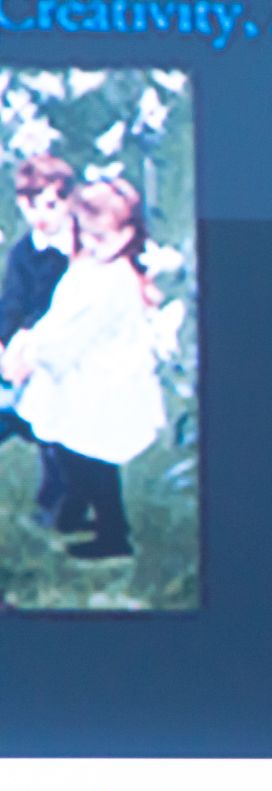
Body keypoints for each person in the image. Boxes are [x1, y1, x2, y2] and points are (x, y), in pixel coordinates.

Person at [0, 175, 166, 560]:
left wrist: (30, 356)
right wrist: (28, 342)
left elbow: (75, 335)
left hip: (99, 385)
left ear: (128, 234)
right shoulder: (89, 266)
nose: (91, 244)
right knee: (69, 450)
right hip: (77, 376)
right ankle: (75, 512)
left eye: (101, 237)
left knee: (90, 458)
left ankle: (113, 534)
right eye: (85, 234)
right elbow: (60, 317)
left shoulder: (115, 281)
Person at [0, 154, 77, 525]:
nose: (41, 216)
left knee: (55, 424)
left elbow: (67, 310)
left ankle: (58, 500)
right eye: (31, 206)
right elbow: (12, 302)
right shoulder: (23, 251)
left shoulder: (79, 253)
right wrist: (5, 345)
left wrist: (29, 347)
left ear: (69, 203)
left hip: (60, 350)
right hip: (20, 351)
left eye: (50, 205)